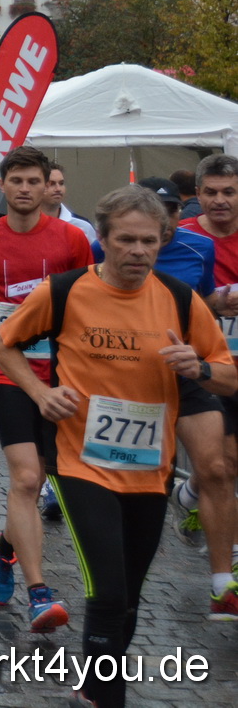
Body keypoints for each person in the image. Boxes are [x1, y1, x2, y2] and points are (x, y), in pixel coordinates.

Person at [0, 185, 236, 708]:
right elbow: (3, 344)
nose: (138, 251)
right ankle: (105, 697)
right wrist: (39, 391)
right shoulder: (63, 291)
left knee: (128, 598)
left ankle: (93, 684)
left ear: (162, 240)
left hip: (151, 470)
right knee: (107, 591)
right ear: (101, 239)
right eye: (125, 240)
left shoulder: (178, 298)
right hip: (82, 463)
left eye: (149, 241)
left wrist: (201, 368)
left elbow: (229, 377)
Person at [0, 144, 92, 634]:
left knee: (51, 472)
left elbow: (87, 298)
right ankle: (38, 591)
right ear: (3, 186)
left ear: (48, 186)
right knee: (27, 479)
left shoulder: (72, 240)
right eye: (18, 182)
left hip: (60, 370)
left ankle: (3, 548)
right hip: (3, 366)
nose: (27, 190)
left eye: (36, 182)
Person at [170, 156, 238, 617]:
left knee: (219, 470)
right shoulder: (186, 239)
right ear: (199, 193)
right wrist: (215, 304)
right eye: (211, 191)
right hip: (209, 367)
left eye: (228, 191)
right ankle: (229, 566)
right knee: (225, 463)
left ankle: (188, 494)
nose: (219, 200)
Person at [48, 163, 99, 247]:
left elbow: (93, 258)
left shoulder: (83, 226)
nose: (58, 189)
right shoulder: (27, 224)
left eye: (61, 183)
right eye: (51, 184)